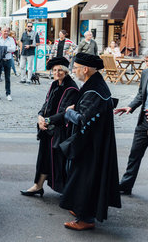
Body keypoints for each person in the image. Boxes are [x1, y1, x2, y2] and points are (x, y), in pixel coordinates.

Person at [55, 53, 121, 230]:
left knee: (85, 178)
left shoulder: (94, 90)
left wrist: (69, 111)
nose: (74, 71)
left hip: (91, 144)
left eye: (75, 68)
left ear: (85, 69)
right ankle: (80, 209)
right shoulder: (94, 84)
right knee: (82, 177)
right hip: (93, 141)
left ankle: (86, 219)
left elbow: (84, 119)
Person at [20, 57, 79, 197]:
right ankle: (38, 185)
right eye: (54, 70)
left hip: (61, 131)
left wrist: (46, 120)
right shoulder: (54, 84)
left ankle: (67, 192)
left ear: (66, 71)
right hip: (48, 128)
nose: (57, 73)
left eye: (60, 70)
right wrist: (40, 116)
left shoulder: (72, 88)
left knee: (59, 162)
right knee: (43, 158)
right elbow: (46, 103)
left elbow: (65, 113)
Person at [114, 51, 148, 195]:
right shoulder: (146, 73)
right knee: (135, 153)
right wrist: (130, 106)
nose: (147, 64)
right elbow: (141, 94)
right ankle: (126, 184)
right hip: (144, 122)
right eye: (146, 60)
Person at [0, 27, 17, 101]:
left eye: (7, 31)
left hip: (8, 59)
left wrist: (4, 49)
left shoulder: (11, 39)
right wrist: (7, 48)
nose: (6, 32)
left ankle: (8, 93)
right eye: (4, 31)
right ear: (1, 32)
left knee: (8, 78)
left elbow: (13, 48)